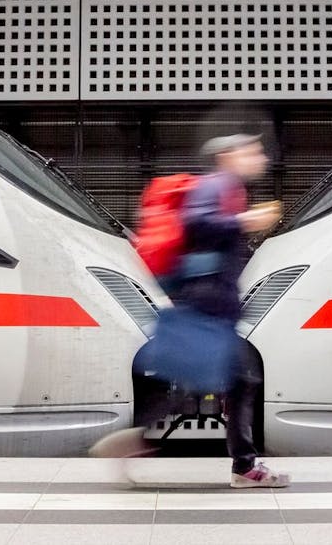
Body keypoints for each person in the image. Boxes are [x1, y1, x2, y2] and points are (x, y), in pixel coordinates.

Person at [91, 134, 289, 489]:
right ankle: (242, 468)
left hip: (207, 299)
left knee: (208, 376)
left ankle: (138, 441)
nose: (260, 158)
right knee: (234, 379)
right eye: (252, 151)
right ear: (228, 156)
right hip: (209, 300)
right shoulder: (216, 185)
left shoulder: (224, 188)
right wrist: (246, 221)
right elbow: (197, 224)